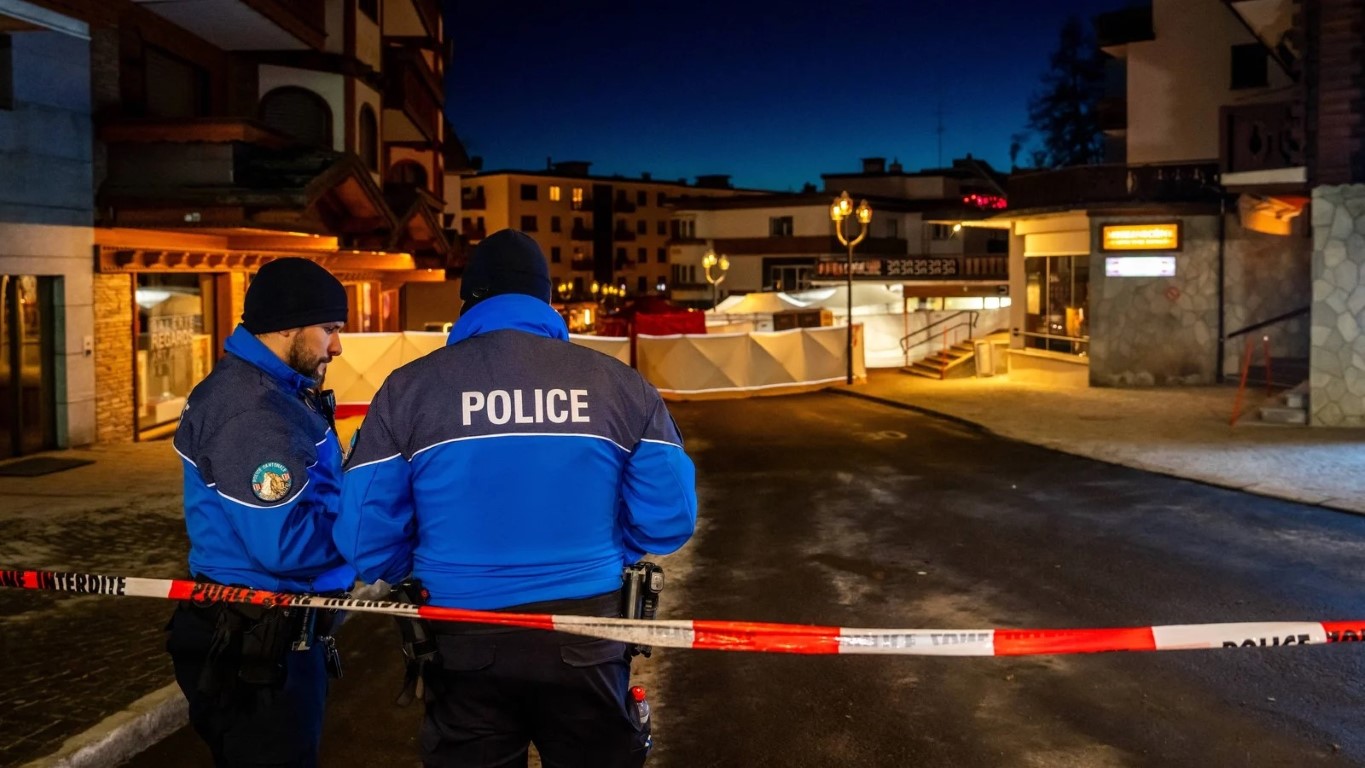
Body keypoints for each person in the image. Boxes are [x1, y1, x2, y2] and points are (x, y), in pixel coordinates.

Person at [335, 228, 697, 768]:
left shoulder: (409, 389)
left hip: (461, 636)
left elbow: (364, 534)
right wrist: (605, 553)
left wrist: (430, 568)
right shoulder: (620, 385)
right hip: (589, 633)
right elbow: (670, 518)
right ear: (545, 299)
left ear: (469, 301)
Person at [166, 257, 355, 768]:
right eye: (330, 328)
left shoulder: (271, 391)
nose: (337, 346)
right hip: (262, 645)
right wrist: (373, 531)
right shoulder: (253, 410)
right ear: (287, 324)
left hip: (263, 635)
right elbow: (286, 545)